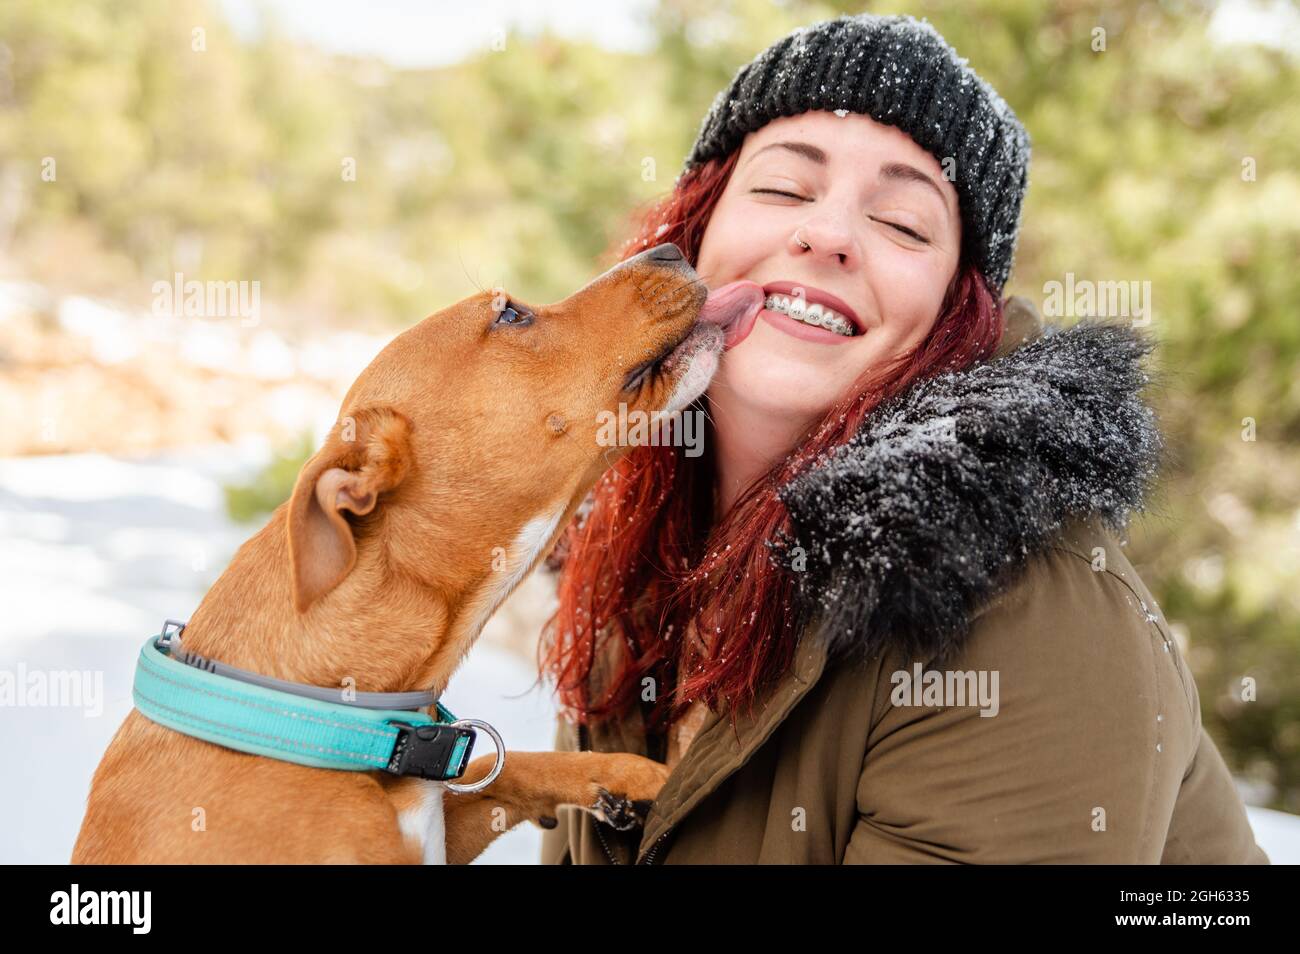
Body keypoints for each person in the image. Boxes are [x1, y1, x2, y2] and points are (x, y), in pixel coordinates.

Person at [537, 12, 1269, 864]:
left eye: (904, 223)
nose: (829, 235)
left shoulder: (1024, 621)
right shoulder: (636, 536)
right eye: (781, 188)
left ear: (956, 319)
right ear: (694, 233)